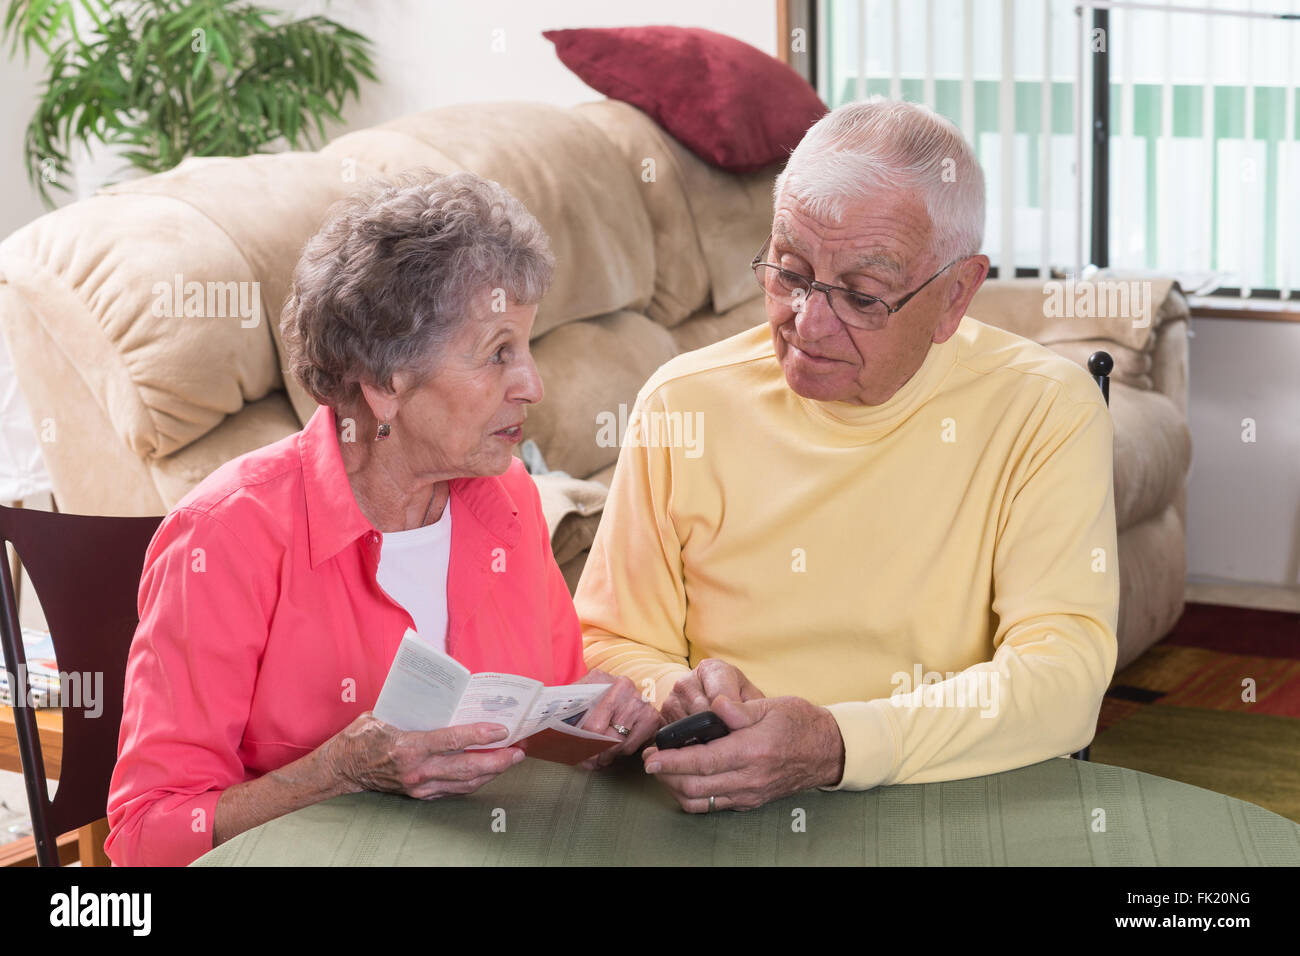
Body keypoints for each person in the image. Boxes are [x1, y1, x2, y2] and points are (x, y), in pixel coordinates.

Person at [576, 98, 1119, 813]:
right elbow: (606, 641)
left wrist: (835, 744)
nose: (808, 322)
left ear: (956, 295)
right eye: (789, 272)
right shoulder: (684, 403)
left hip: (944, 798)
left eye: (862, 296)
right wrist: (670, 695)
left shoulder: (1046, 410)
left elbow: (1063, 683)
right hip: (721, 804)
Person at [105, 171, 661, 866]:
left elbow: (549, 706)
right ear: (384, 385)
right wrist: (334, 774)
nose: (533, 385)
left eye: (527, 345)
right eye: (498, 353)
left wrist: (596, 720)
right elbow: (143, 835)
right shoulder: (224, 538)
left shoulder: (509, 495)